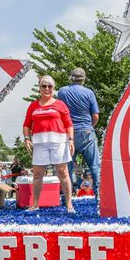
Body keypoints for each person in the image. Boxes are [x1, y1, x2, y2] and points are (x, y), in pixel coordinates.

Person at [23, 75, 75, 213]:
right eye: (44, 86)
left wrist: (71, 140)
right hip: (39, 143)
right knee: (37, 174)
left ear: (54, 88)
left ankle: (69, 204)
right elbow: (27, 124)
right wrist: (26, 138)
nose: (47, 89)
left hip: (59, 142)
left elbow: (69, 124)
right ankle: (35, 204)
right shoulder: (33, 106)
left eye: (49, 86)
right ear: (39, 88)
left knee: (63, 172)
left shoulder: (60, 104)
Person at [58, 68, 100, 198]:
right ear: (84, 79)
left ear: (71, 78)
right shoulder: (89, 93)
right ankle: (100, 196)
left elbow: (60, 113)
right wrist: (89, 127)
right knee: (94, 166)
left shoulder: (62, 92)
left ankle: (68, 198)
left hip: (69, 134)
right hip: (86, 132)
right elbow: (96, 116)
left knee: (67, 168)